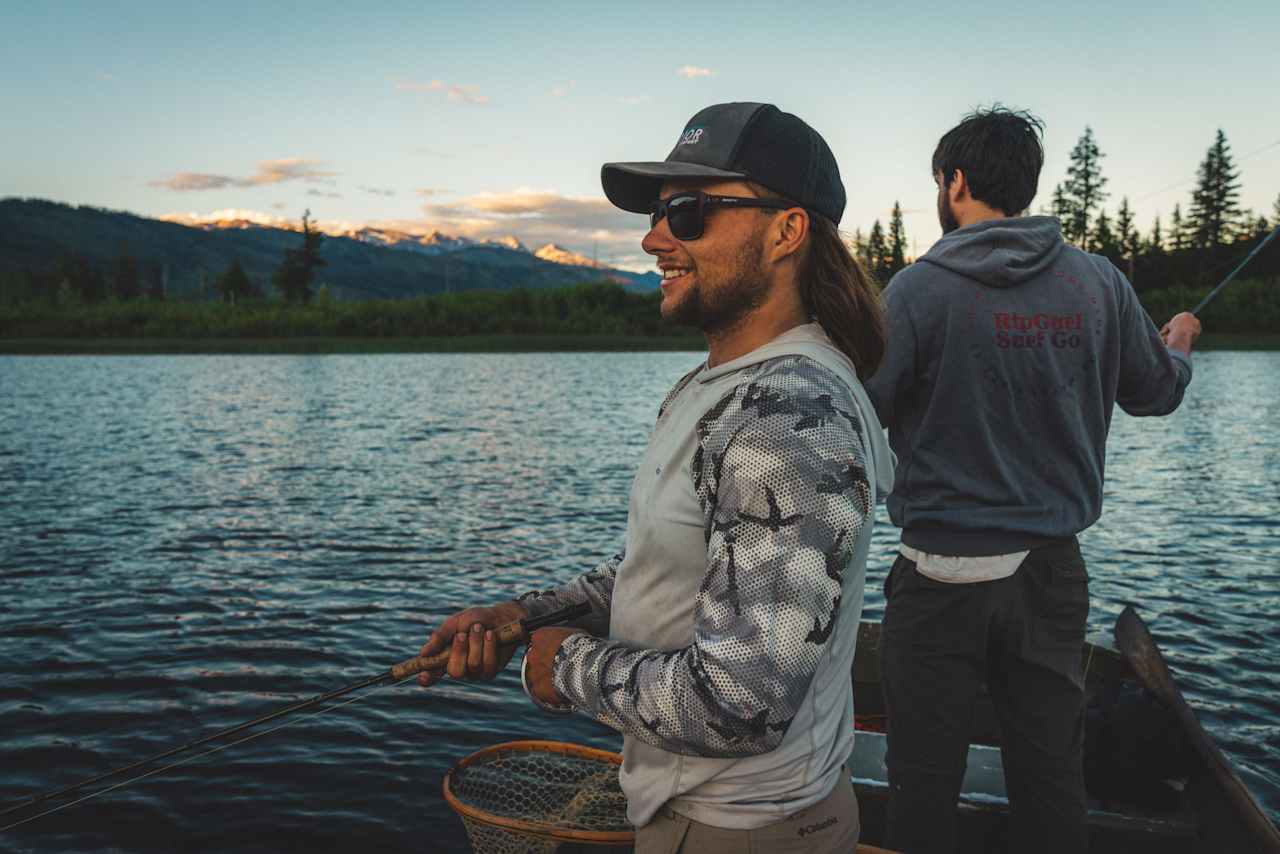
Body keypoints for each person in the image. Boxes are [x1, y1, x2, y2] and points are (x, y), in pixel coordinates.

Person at [417, 102, 893, 853]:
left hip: (744, 829)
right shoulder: (727, 389)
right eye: (659, 213)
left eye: (688, 212)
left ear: (786, 232)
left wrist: (565, 667)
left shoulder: (787, 416)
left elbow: (744, 701)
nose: (654, 237)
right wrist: (523, 619)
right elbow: (678, 573)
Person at [864, 106, 1201, 854]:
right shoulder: (1100, 284)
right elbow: (1156, 392)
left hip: (935, 581)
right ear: (1025, 184)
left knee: (921, 779)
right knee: (1051, 775)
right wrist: (1177, 347)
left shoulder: (916, 292)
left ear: (954, 182)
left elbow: (857, 418)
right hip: (1051, 575)